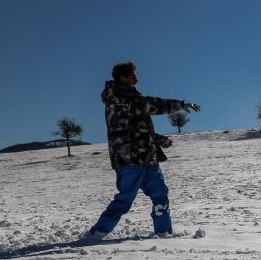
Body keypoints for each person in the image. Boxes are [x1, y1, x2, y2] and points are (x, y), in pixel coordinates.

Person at [86, 61, 201, 238]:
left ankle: (163, 232)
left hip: (146, 156)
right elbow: (151, 104)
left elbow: (136, 127)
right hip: (129, 158)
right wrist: (181, 104)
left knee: (160, 193)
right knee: (125, 199)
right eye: (132, 73)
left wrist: (157, 140)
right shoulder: (120, 97)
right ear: (123, 78)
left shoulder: (130, 96)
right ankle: (97, 233)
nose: (136, 75)